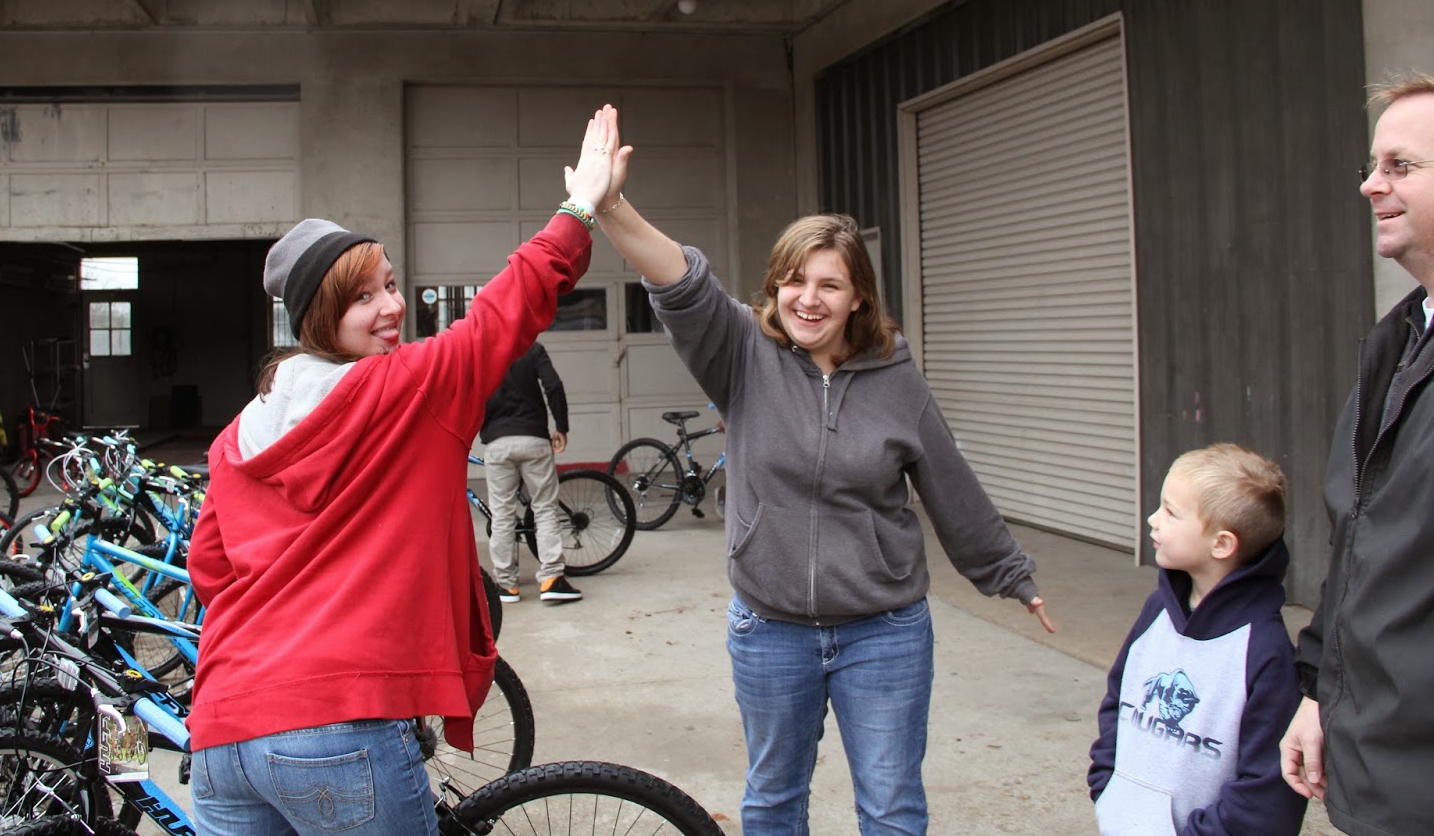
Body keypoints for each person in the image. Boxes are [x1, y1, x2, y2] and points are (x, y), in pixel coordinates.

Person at [588, 104, 1054, 835]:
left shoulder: (895, 375)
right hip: (771, 628)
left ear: (857, 295)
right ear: (775, 287)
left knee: (892, 807)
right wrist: (611, 206)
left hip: (885, 629)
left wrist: (1007, 572)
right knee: (774, 802)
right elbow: (680, 280)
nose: (808, 299)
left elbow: (948, 479)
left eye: (829, 285)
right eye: (793, 281)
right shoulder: (742, 351)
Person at [185, 117, 617, 836]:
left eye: (389, 285)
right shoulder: (404, 390)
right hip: (340, 721)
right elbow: (503, 313)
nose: (391, 307)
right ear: (319, 318)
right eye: (362, 298)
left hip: (223, 731)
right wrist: (581, 208)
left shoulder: (237, 436)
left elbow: (209, 570)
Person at [1280, 73, 1434, 836]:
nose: (1371, 185)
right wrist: (1319, 693)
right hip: (1379, 768)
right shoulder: (1398, 343)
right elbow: (1360, 547)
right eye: (1373, 165)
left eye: (1401, 166)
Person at [1089, 443, 1306, 836]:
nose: (1153, 520)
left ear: (1221, 544)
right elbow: (1118, 699)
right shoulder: (1157, 610)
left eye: (1170, 512)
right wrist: (1108, 787)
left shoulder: (1264, 651)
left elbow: (1267, 796)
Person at [480, 341, 581, 603]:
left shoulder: (481, 352)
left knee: (502, 514)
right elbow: (553, 386)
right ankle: (551, 579)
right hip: (533, 438)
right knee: (544, 509)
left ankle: (506, 586)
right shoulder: (532, 349)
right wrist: (561, 426)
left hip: (498, 443)